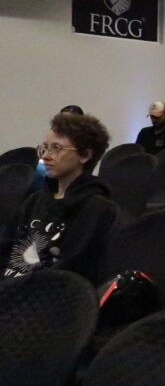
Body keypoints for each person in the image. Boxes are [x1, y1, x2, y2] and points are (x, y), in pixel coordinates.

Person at [1, 113, 119, 284]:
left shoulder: (97, 209)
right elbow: (5, 248)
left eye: (56, 148)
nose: (45, 156)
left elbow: (69, 271)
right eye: (44, 148)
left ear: (85, 155)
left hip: (44, 294)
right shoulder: (35, 201)